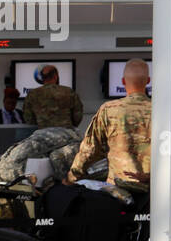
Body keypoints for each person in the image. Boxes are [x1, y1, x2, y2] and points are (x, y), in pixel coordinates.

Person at [64, 58, 151, 196]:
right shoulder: (163, 110)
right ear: (148, 81)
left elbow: (90, 150)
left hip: (119, 191)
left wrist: (71, 178)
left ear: (123, 81)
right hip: (155, 190)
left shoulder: (108, 110)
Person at [23, 65, 84, 129]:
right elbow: (77, 115)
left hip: (42, 134)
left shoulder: (32, 94)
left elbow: (28, 118)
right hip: (65, 134)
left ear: (42, 78)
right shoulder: (69, 92)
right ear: (55, 76)